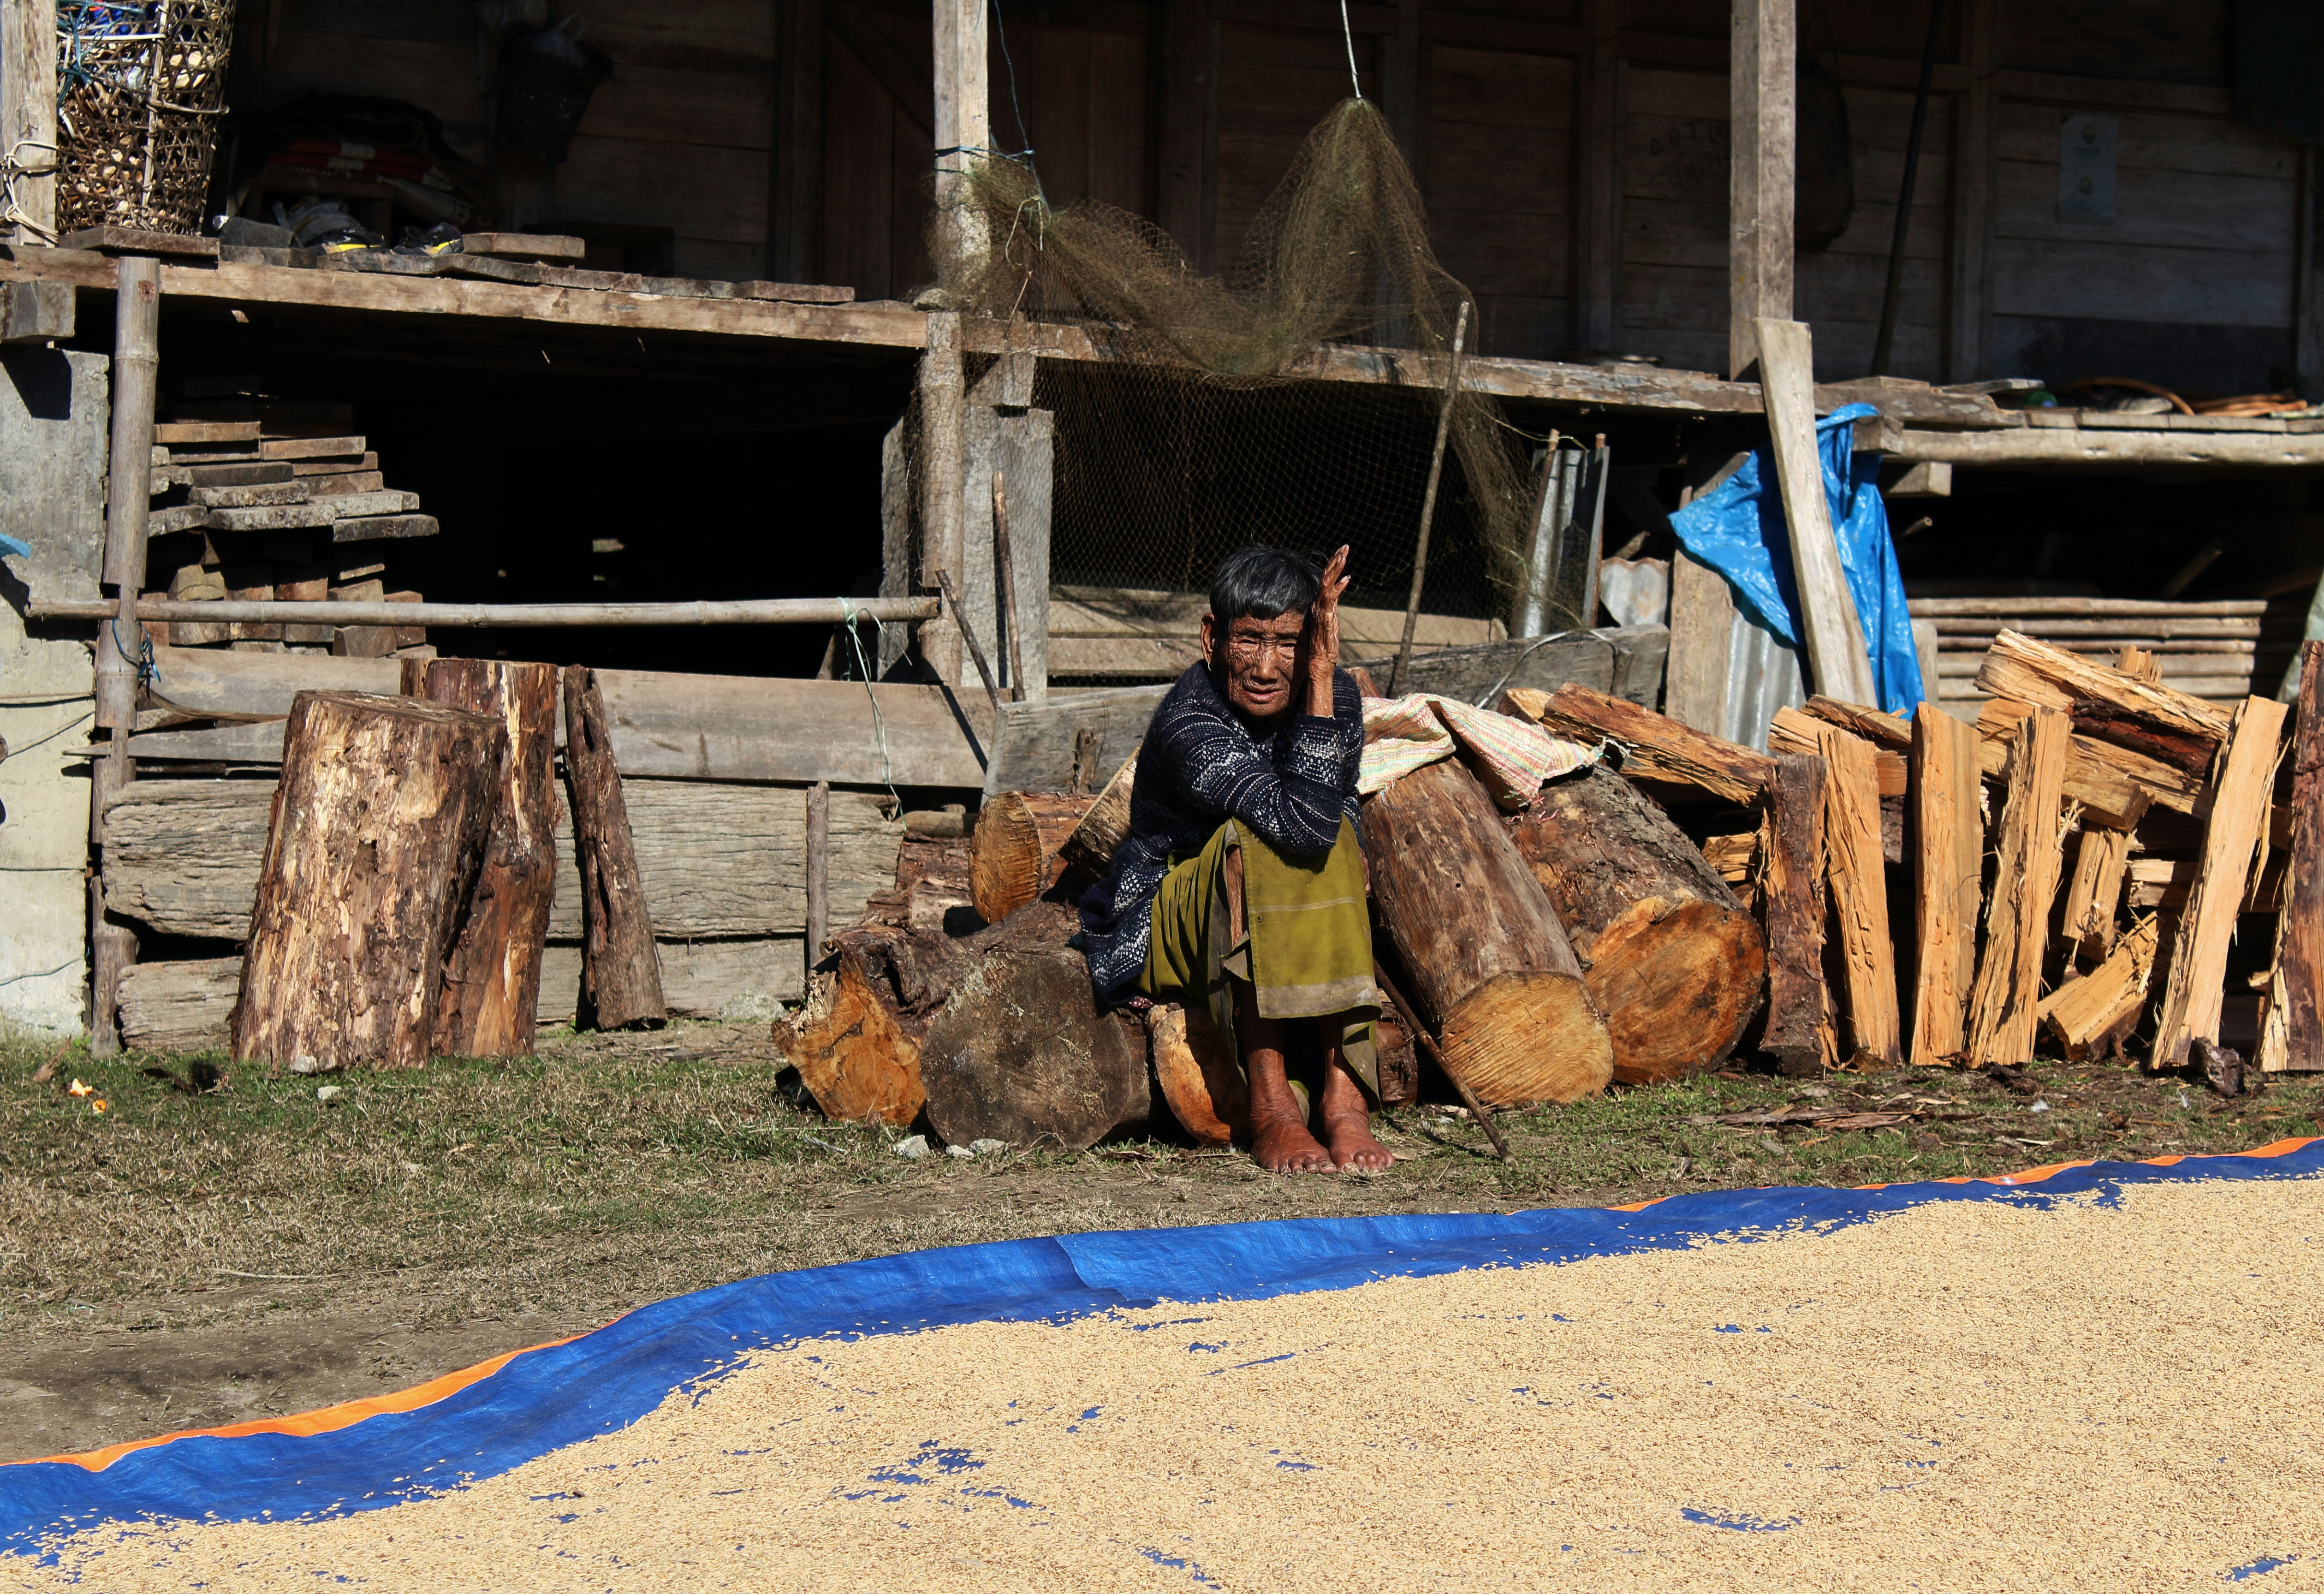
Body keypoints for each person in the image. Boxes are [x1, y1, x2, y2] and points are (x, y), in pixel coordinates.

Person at [1078, 543, 1390, 1174]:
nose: (1269, 667)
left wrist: (1325, 681)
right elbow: (1297, 826)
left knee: (1335, 833)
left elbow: (1338, 806)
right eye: (1250, 640)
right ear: (1211, 638)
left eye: (1291, 644)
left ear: (1316, 645)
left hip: (1277, 906)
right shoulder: (1190, 721)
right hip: (1164, 918)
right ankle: (1272, 1106)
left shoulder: (1334, 695)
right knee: (1262, 839)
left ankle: (1342, 1097)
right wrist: (1322, 678)